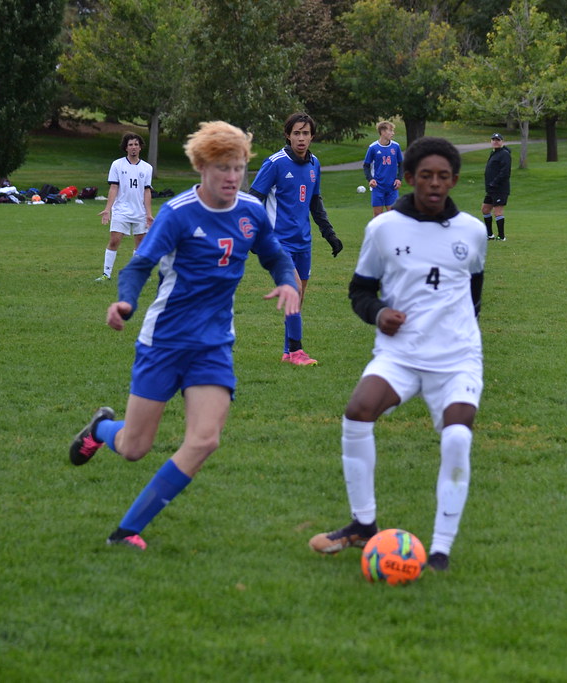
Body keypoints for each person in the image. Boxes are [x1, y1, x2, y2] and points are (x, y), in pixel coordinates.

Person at [67, 121, 301, 550]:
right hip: (165, 341)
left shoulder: (249, 211)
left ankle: (126, 531)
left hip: (213, 345)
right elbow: (139, 265)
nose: (232, 177)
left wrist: (287, 280)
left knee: (205, 439)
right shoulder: (178, 214)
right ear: (202, 168)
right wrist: (125, 303)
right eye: (223, 168)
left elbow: (276, 256)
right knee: (135, 446)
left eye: (239, 167)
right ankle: (101, 430)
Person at [309, 136, 487, 573]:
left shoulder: (472, 230)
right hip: (400, 355)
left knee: (458, 436)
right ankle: (362, 525)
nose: (434, 184)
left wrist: (455, 335)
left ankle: (441, 550)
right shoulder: (383, 228)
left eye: (443, 176)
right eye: (425, 175)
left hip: (456, 359)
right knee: (357, 412)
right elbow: (360, 291)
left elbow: (474, 295)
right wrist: (379, 313)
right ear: (409, 178)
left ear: (454, 180)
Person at [249, 112, 343, 367]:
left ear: (312, 136)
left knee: (299, 299)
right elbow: (252, 200)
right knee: (295, 291)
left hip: (303, 242)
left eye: (306, 133)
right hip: (278, 242)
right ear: (288, 135)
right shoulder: (275, 163)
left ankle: (287, 351)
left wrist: (329, 234)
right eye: (296, 133)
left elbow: (315, 202)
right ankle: (298, 352)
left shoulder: (314, 164)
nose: (301, 138)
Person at [96, 132, 154, 282]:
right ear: (126, 148)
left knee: (140, 244)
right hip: (121, 210)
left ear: (140, 147)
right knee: (115, 240)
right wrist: (107, 209)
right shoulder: (117, 164)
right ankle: (106, 274)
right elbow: (114, 188)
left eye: (136, 144)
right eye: (130, 145)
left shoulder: (147, 168)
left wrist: (148, 214)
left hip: (140, 211)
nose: (133, 147)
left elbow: (147, 191)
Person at [362, 121, 403, 216]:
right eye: (391, 130)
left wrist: (399, 179)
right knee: (378, 217)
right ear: (383, 132)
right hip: (378, 187)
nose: (393, 133)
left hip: (392, 187)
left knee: (393, 216)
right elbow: (366, 166)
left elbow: (401, 164)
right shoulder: (373, 148)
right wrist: (370, 179)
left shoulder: (396, 146)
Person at [482, 132, 512, 241]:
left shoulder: (504, 154)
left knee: (498, 212)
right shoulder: (494, 153)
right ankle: (490, 235)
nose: (495, 141)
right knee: (485, 209)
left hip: (499, 188)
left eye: (497, 140)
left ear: (502, 142)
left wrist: (494, 182)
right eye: (493, 140)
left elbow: (505, 172)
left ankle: (501, 236)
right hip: (491, 189)